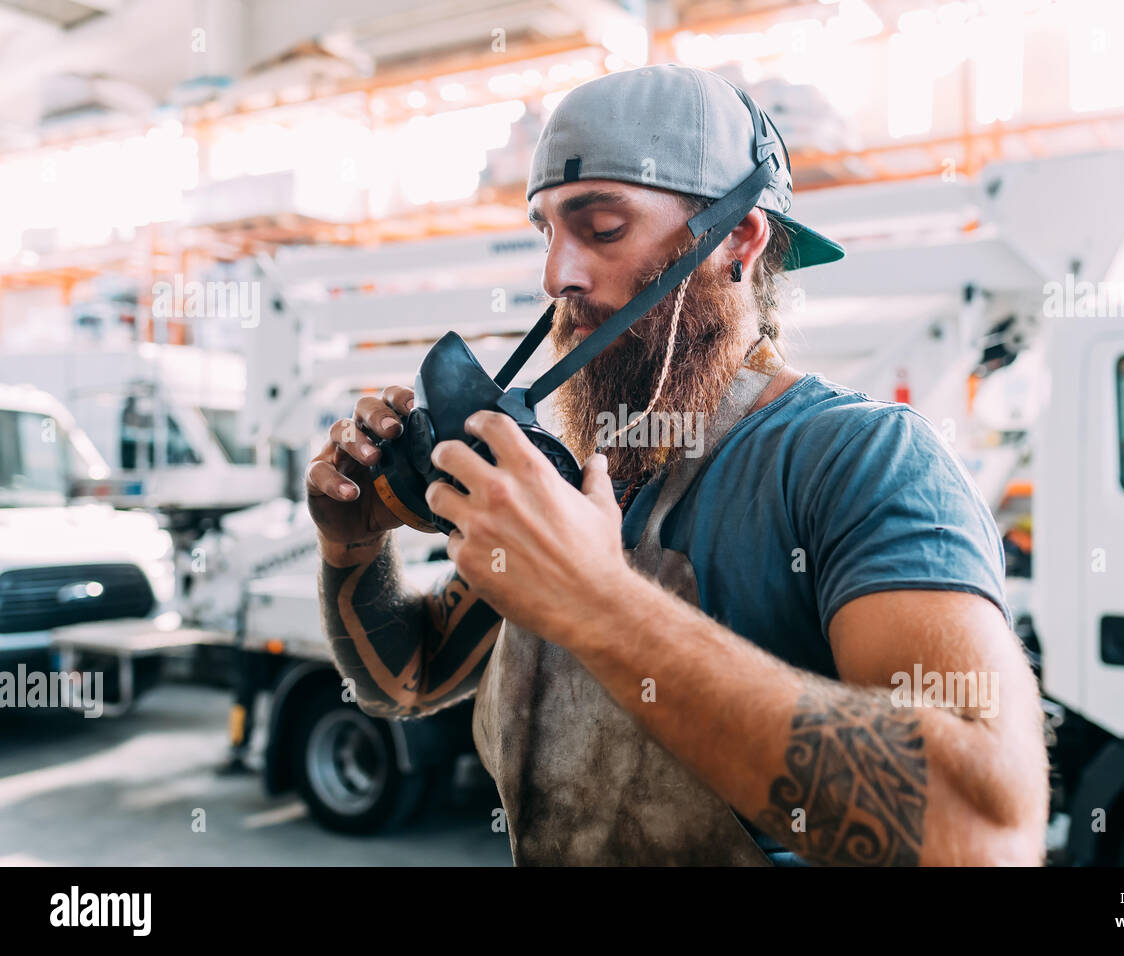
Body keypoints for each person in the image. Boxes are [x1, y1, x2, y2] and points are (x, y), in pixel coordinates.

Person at [305, 64, 1048, 865]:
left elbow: (984, 832)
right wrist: (351, 546)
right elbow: (407, 681)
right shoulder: (583, 476)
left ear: (738, 237)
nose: (557, 275)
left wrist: (597, 602)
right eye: (546, 232)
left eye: (603, 228)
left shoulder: (859, 460)